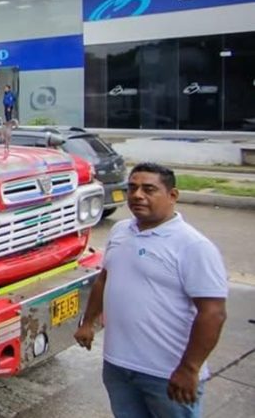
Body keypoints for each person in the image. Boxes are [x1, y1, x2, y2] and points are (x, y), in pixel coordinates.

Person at [74, 162, 228, 418]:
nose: (137, 195)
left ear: (172, 195)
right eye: (132, 188)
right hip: (118, 367)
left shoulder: (194, 246)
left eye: (149, 189)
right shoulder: (120, 231)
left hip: (166, 374)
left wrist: (189, 369)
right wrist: (88, 322)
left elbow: (213, 313)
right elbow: (105, 279)